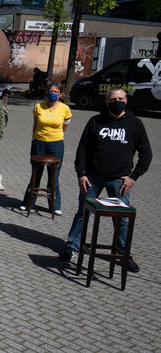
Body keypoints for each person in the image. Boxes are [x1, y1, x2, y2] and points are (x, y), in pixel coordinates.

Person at [58, 88, 152, 272]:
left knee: (122, 219)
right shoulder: (96, 121)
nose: (116, 101)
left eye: (120, 98)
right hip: (92, 177)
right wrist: (80, 173)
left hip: (120, 180)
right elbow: (82, 148)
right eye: (112, 99)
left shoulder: (135, 124)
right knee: (83, 213)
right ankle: (72, 246)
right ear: (106, 102)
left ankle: (123, 254)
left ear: (126, 101)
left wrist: (134, 177)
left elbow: (146, 154)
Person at [20, 82, 72, 215]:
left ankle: (55, 205)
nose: (53, 94)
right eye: (51, 91)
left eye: (56, 92)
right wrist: (35, 139)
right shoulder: (39, 107)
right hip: (39, 142)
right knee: (36, 173)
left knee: (54, 175)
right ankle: (28, 202)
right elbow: (35, 124)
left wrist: (54, 134)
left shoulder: (65, 109)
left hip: (56, 144)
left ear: (60, 94)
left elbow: (65, 126)